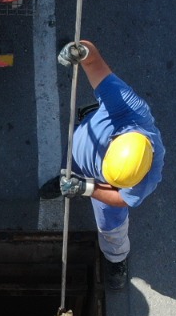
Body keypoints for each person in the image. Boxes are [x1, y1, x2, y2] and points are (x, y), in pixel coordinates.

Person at [40, 39, 164, 290]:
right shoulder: (127, 107)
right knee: (70, 167)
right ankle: (67, 179)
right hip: (80, 152)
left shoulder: (146, 176)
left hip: (99, 188)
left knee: (112, 228)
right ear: (116, 141)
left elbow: (122, 199)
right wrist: (81, 51)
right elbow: (94, 60)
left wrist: (88, 189)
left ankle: (116, 258)